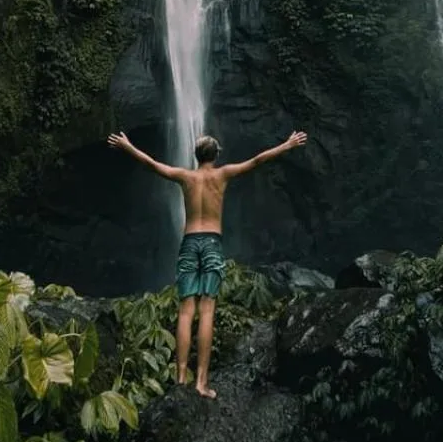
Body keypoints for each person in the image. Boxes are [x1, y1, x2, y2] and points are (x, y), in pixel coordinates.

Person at [107, 128, 308, 398]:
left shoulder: (185, 176)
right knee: (207, 310)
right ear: (215, 156)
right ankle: (201, 382)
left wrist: (127, 146)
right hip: (212, 243)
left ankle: (180, 378)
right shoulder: (222, 175)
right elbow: (258, 160)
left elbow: (151, 164)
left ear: (196, 155)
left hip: (189, 242)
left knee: (186, 310)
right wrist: (287, 144)